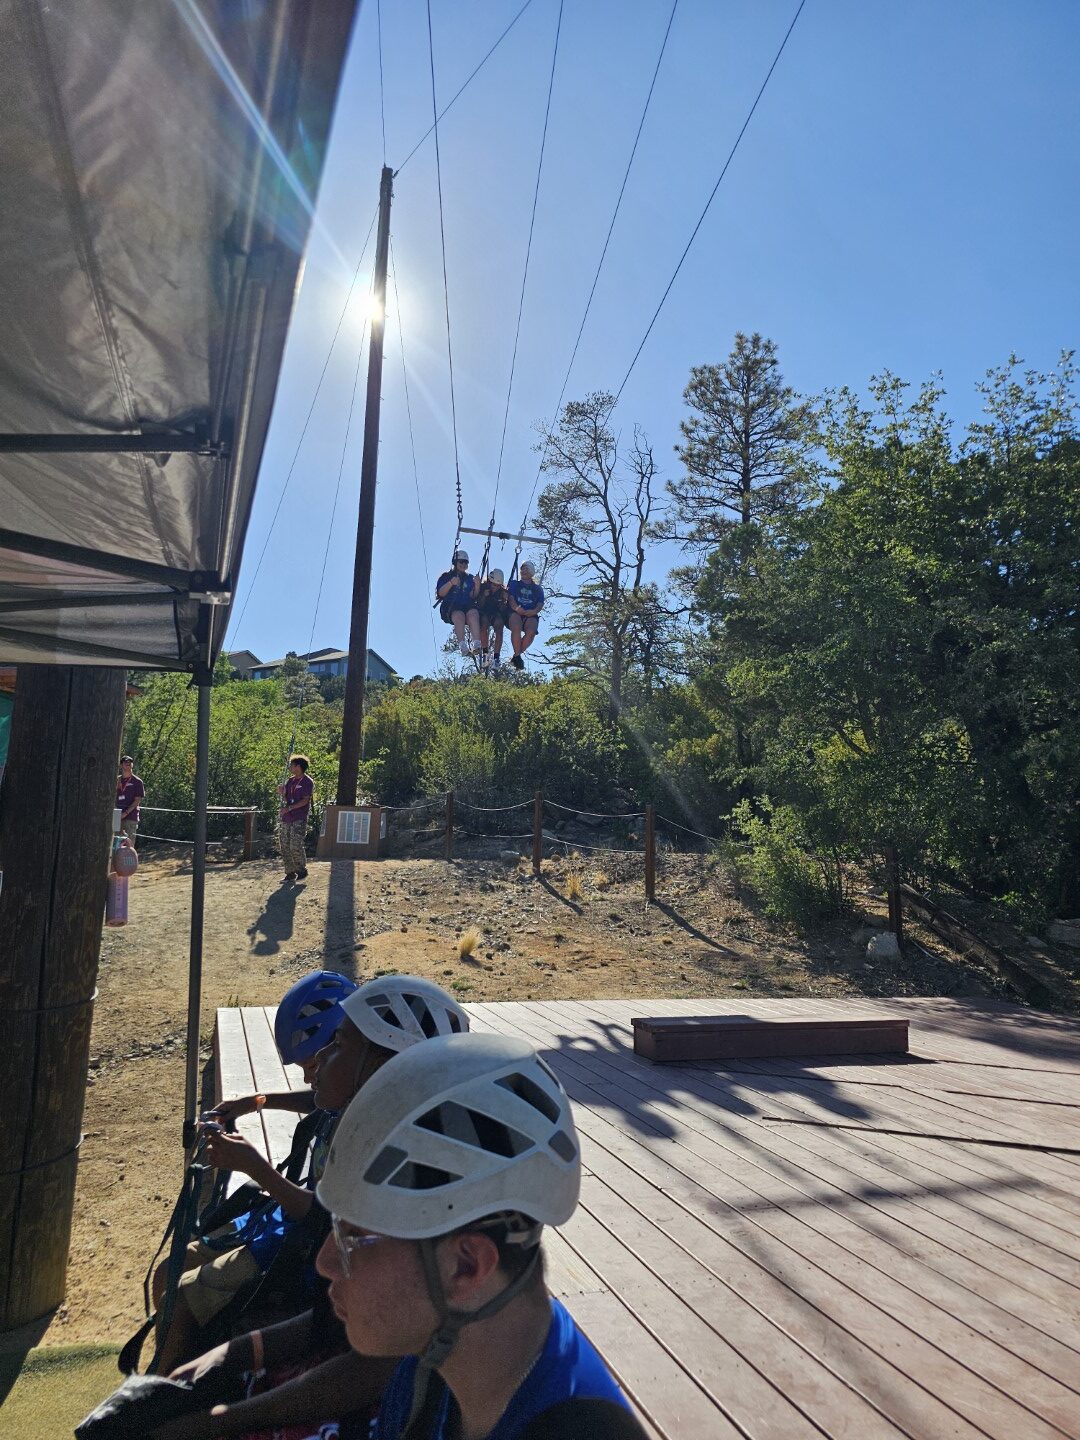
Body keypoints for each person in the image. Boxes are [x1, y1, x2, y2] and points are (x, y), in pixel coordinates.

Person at [148, 978, 471, 1438]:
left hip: (295, 1245)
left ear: (383, 1070)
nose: (312, 1072)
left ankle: (158, 1393)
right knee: (171, 1276)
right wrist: (224, 1360)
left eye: (335, 1047)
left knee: (180, 1296)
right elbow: (329, 1323)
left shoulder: (397, 1187)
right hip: (293, 1241)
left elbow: (369, 1365)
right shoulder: (379, 1145)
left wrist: (215, 1420)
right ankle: (158, 1392)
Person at [314, 1031, 631, 1440]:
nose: (324, 1262)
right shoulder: (430, 1367)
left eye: (353, 1237)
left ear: (466, 1267)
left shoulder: (578, 1428)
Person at [435, 550, 482, 658]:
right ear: (455, 562)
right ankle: (463, 646)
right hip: (451, 607)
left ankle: (477, 644)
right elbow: (441, 593)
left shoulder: (470, 578)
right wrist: (451, 583)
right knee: (459, 615)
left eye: (466, 562)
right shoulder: (446, 576)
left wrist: (477, 586)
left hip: (467, 605)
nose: (463, 564)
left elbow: (473, 595)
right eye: (461, 562)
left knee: (474, 614)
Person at [277, 754, 314, 883]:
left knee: (295, 845)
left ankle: (301, 871)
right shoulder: (290, 781)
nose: (289, 767)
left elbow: (305, 801)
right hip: (287, 817)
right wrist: (282, 793)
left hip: (299, 818)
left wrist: (289, 808)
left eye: (291, 765)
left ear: (298, 767)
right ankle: (290, 873)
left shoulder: (307, 782)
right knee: (284, 845)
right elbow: (286, 799)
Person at [507, 562, 545, 671]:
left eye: (526, 569)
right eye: (522, 569)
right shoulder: (514, 584)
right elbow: (511, 598)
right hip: (515, 611)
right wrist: (517, 608)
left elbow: (540, 604)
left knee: (531, 633)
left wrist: (533, 611)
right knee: (516, 628)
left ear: (531, 572)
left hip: (530, 614)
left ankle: (516, 655)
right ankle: (517, 656)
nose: (523, 571)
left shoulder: (538, 589)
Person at [475, 568, 510, 674]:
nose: (495, 587)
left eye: (498, 586)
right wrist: (483, 596)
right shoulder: (483, 587)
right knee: (483, 625)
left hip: (496, 614)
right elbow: (479, 605)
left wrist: (505, 601)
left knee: (499, 628)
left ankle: (496, 657)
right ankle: (485, 654)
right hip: (484, 612)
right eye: (493, 585)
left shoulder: (502, 592)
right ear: (490, 582)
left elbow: (503, 609)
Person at [116, 755, 146, 844]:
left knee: (129, 844)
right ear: (121, 765)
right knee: (115, 843)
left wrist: (125, 813)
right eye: (125, 762)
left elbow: (137, 800)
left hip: (131, 817)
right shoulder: (117, 780)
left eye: (130, 762)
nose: (128, 763)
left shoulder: (137, 781)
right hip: (117, 816)